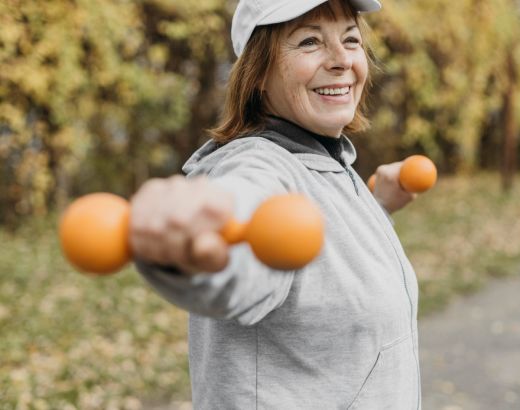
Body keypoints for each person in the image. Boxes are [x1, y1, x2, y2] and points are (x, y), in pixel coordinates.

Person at [130, 0, 422, 408]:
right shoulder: (258, 167)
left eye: (351, 39)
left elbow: (322, 264)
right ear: (259, 74)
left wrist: (376, 208)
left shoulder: (326, 160)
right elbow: (245, 236)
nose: (341, 60)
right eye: (309, 42)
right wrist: (195, 253)